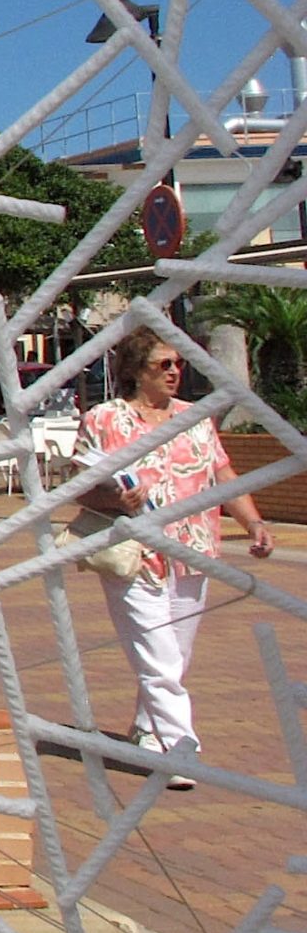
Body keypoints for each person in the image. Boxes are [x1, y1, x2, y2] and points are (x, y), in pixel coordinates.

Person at [78, 325, 273, 780]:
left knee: (174, 657)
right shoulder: (104, 420)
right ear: (135, 371)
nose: (173, 372)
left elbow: (223, 471)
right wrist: (113, 501)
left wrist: (254, 522)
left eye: (178, 363)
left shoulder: (194, 417)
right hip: (133, 554)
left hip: (194, 551)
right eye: (162, 364)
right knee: (159, 656)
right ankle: (180, 747)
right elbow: (80, 488)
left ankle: (148, 729)